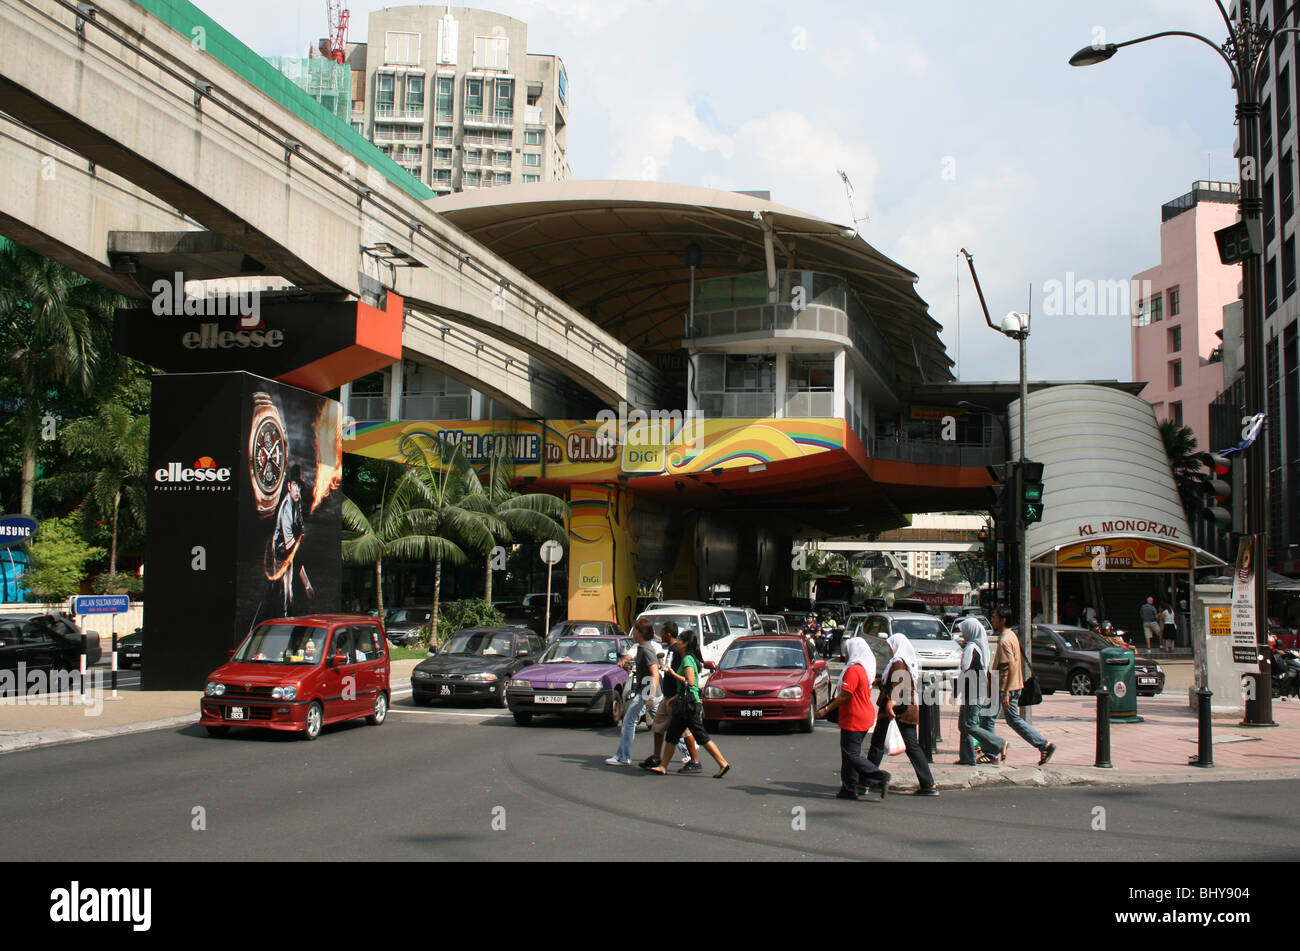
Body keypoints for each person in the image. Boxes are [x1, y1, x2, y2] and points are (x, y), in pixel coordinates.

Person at [648, 629, 730, 778]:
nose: (677, 643)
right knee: (675, 736)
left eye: (680, 640)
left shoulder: (687, 660)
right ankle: (663, 766)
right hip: (687, 702)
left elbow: (690, 682)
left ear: (685, 644)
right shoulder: (689, 658)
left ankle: (723, 763)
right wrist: (675, 697)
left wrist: (673, 674)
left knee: (697, 736)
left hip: (688, 705)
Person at [817, 638, 889, 799]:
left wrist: (826, 710)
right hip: (859, 715)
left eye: (848, 649)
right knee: (849, 754)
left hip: (855, 716)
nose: (846, 653)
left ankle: (878, 776)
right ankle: (849, 788)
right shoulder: (863, 669)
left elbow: (845, 695)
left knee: (851, 755)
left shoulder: (854, 670)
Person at [866, 633, 938, 796]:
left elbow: (900, 684)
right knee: (910, 746)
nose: (889, 649)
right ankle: (929, 784)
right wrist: (878, 681)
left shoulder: (898, 662)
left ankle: (867, 781)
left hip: (896, 710)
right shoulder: (903, 661)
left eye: (891, 646)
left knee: (878, 745)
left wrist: (891, 702)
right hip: (904, 709)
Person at [989, 608, 1056, 766]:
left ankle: (993, 750)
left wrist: (1005, 692)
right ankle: (1042, 745)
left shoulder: (1005, 639)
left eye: (994, 617)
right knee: (1010, 720)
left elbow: (1009, 665)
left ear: (1003, 620)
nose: (992, 620)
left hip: (1007, 687)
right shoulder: (1012, 635)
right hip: (1014, 685)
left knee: (991, 719)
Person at [640, 622, 699, 771]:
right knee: (658, 727)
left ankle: (694, 760)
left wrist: (676, 691)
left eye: (663, 632)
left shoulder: (680, 653)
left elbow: (686, 677)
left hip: (676, 698)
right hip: (668, 696)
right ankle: (656, 757)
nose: (660, 635)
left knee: (685, 732)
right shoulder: (673, 650)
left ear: (668, 634)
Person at [954, 616, 1006, 765]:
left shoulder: (971, 647)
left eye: (964, 631)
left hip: (973, 692)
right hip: (977, 690)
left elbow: (964, 670)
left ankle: (998, 743)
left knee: (969, 725)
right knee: (964, 726)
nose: (962, 634)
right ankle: (967, 758)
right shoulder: (980, 647)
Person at [608, 618, 659, 766]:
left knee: (629, 722)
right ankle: (689, 751)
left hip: (647, 692)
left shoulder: (647, 649)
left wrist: (649, 695)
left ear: (640, 632)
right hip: (649, 692)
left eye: (635, 629)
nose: (633, 632)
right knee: (666, 724)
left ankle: (624, 757)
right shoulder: (642, 648)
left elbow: (654, 674)